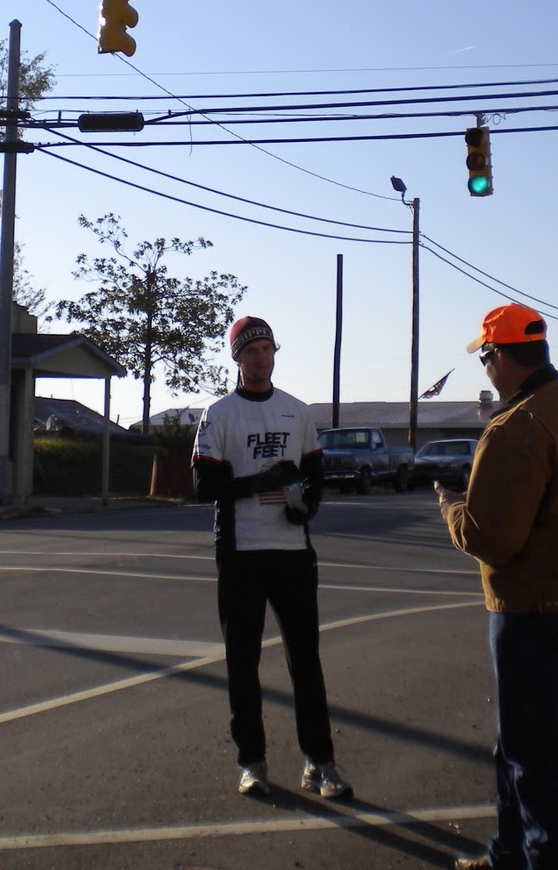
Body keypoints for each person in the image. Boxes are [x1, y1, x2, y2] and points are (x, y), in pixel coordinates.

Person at [438, 303, 558, 870]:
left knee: (533, 753)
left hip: (533, 610)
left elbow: (491, 538)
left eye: (485, 358)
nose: (485, 369)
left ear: (498, 355)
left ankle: (545, 858)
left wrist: (451, 509)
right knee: (519, 743)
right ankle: (508, 852)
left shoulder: (516, 427)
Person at [191, 316, 351, 801]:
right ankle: (252, 761)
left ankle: (320, 762)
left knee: (306, 661)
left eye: (267, 349)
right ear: (237, 358)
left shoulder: (297, 412)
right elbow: (203, 485)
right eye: (251, 351)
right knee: (243, 662)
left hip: (292, 554)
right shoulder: (219, 414)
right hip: (240, 552)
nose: (261, 359)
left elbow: (315, 475)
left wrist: (307, 507)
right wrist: (260, 483)